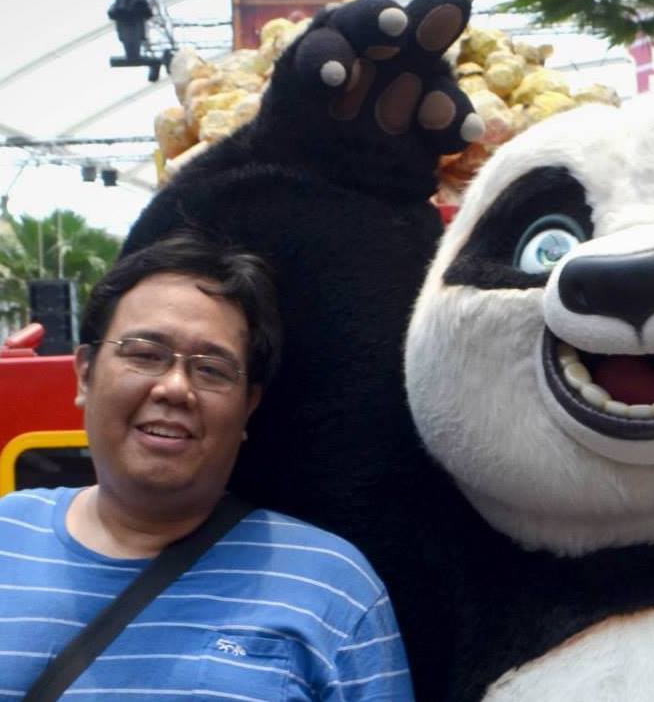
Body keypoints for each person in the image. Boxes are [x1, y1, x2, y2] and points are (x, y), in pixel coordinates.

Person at [0, 232, 415, 701]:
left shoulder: (334, 589)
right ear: (84, 375)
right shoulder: (6, 539)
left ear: (248, 407)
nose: (175, 388)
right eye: (145, 354)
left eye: (212, 369)